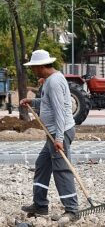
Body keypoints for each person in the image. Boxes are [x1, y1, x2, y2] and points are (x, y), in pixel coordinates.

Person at [20, 49, 80, 221]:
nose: (33, 70)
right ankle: (40, 204)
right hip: (53, 132)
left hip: (58, 132)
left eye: (34, 67)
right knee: (42, 164)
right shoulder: (51, 80)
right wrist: (32, 101)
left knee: (61, 169)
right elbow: (48, 103)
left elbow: (60, 112)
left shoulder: (53, 82)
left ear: (41, 66)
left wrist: (59, 138)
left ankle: (72, 210)